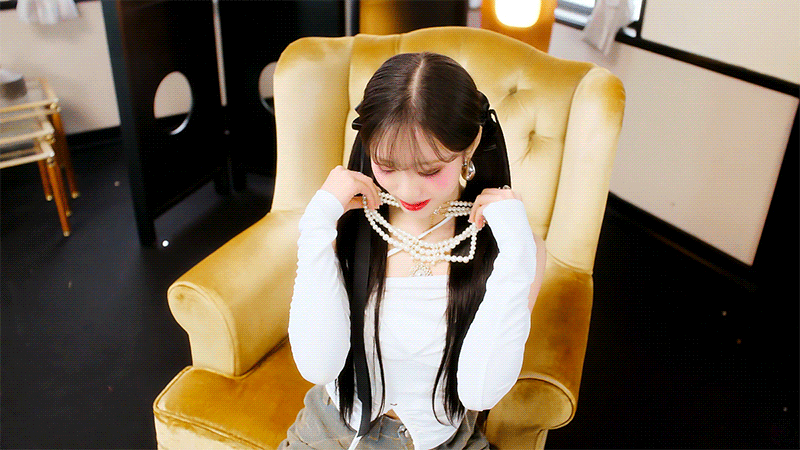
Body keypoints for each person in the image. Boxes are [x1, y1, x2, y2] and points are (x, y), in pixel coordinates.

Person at [282, 52, 546, 450]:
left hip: (441, 441)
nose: (407, 191)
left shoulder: (511, 247)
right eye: (386, 166)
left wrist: (517, 253)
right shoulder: (345, 224)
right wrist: (317, 224)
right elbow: (318, 366)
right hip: (331, 431)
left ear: (471, 143)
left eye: (429, 169)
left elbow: (479, 392)